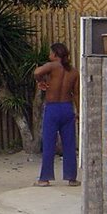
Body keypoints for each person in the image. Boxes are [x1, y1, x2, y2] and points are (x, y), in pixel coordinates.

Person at [33, 42, 79, 187]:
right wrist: (79, 112)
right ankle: (71, 178)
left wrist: (40, 82)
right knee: (70, 144)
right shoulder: (74, 71)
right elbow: (76, 94)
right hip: (67, 109)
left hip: (53, 109)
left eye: (50, 53)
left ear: (55, 54)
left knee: (48, 143)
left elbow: (36, 72)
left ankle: (44, 178)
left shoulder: (52, 66)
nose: (49, 55)